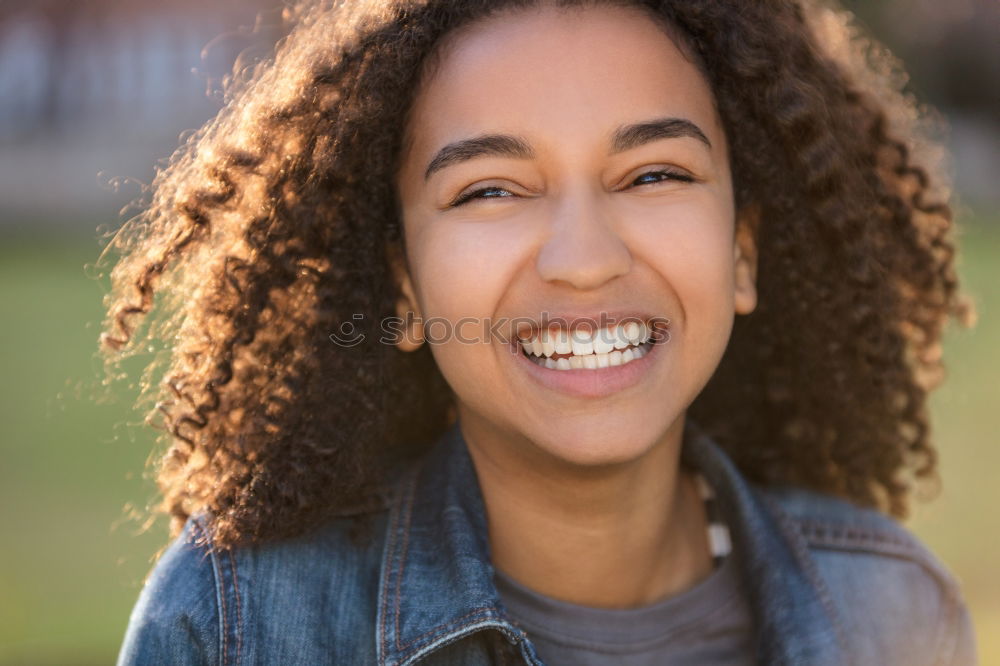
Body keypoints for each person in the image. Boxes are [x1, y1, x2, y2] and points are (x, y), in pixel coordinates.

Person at [104, 0, 979, 663]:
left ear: (742, 253)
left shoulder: (894, 610)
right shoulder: (238, 620)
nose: (583, 259)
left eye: (653, 174)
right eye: (490, 189)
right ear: (403, 286)